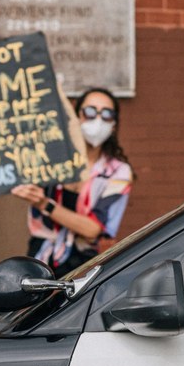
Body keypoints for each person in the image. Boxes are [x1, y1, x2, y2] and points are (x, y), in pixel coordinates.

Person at [10, 88, 133, 274]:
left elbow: (92, 229)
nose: (97, 120)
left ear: (114, 124)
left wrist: (45, 204)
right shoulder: (49, 158)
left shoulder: (118, 172)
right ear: (77, 117)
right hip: (39, 259)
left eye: (107, 114)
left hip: (86, 266)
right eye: (90, 111)